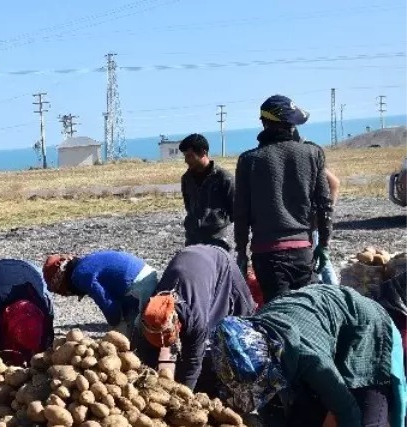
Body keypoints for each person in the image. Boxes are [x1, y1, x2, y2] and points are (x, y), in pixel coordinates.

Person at [212, 285, 407, 427]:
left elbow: (347, 410)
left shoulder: (309, 358)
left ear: (274, 358)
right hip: (319, 328)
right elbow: (264, 397)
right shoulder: (245, 354)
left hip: (366, 329)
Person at [234, 95, 333, 302]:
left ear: (264, 123)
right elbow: (324, 204)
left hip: (267, 255)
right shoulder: (313, 153)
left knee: (280, 318)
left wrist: (241, 252)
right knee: (309, 311)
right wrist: (324, 243)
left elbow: (241, 212)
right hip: (303, 251)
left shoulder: (248, 160)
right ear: (291, 125)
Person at [136, 245, 255, 392]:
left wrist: (184, 395)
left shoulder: (195, 317)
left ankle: (242, 382)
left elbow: (193, 360)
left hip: (219, 263)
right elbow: (149, 352)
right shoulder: (151, 311)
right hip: (189, 261)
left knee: (242, 328)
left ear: (177, 324)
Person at [43, 251, 158, 336]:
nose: (66, 294)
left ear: (62, 280)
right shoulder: (85, 263)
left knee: (128, 335)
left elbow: (106, 302)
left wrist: (114, 324)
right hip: (145, 275)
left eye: (61, 291)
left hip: (139, 285)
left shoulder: (80, 275)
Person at [178, 133, 235, 250]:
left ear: (203, 152)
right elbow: (189, 207)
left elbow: (237, 211)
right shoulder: (186, 179)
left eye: (190, 156)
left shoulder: (224, 178)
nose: (186, 161)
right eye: (185, 156)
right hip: (193, 241)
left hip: (219, 243)